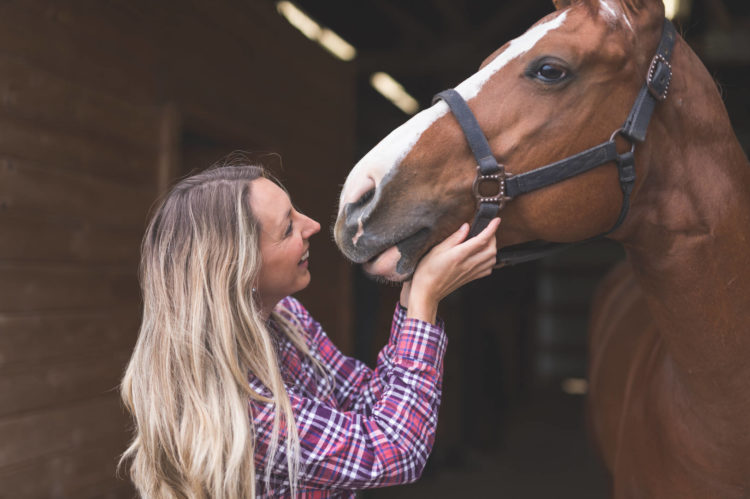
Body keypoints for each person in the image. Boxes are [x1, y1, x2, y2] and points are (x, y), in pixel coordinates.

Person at [119, 163, 500, 498]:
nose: (313, 226)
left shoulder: (287, 319)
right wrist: (424, 305)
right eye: (288, 229)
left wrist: (410, 292)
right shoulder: (238, 406)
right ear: (240, 269)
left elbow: (367, 400)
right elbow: (395, 452)